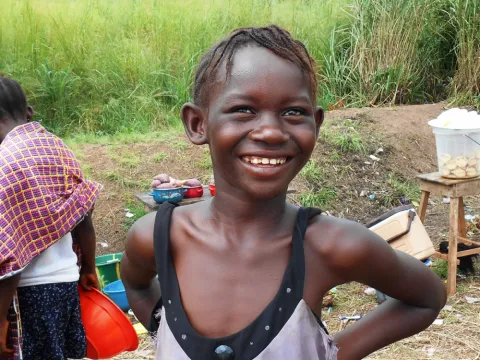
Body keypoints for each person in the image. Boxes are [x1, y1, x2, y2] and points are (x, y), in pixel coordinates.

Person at [121, 25, 447, 360]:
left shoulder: (331, 245)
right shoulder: (157, 238)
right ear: (197, 124)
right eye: (243, 110)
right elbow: (136, 284)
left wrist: (327, 353)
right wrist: (165, 333)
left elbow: (426, 297)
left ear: (316, 125)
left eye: (293, 112)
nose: (271, 132)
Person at [0, 77, 102, 360]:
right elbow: (82, 215)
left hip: (28, 294)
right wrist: (89, 269)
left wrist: (0, 320)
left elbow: (9, 258)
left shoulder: (5, 165)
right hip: (67, 282)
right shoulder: (57, 149)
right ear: (29, 112)